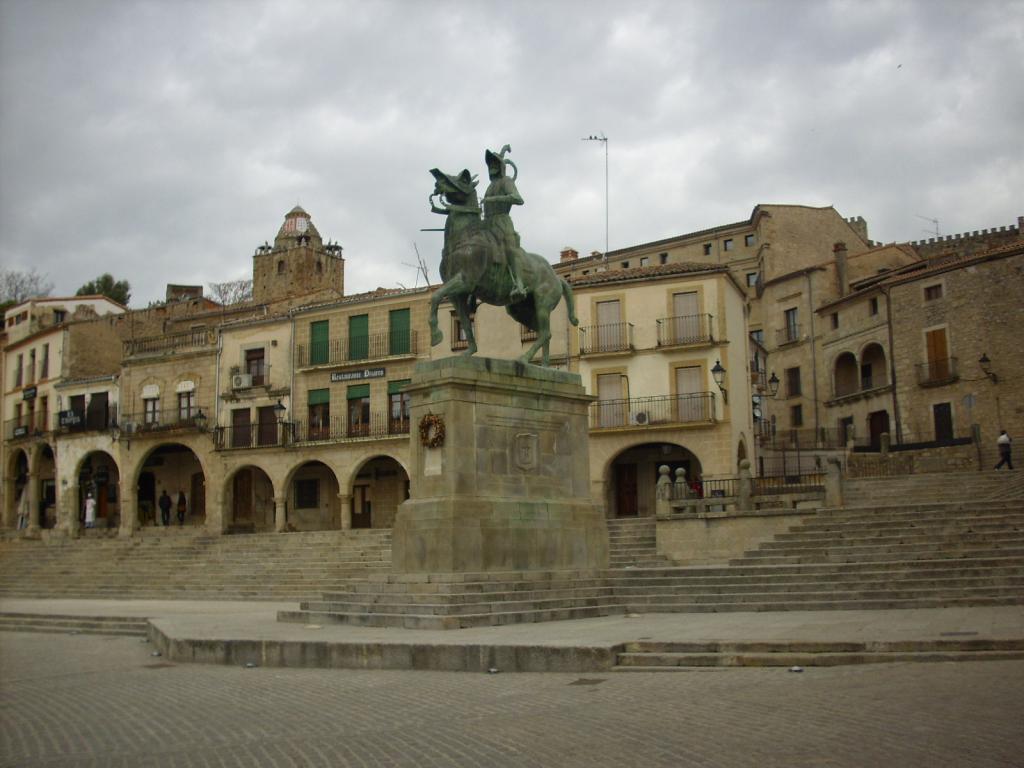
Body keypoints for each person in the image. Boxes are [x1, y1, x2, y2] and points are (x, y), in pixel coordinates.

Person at [482, 145, 529, 301]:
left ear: (501, 167)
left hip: (502, 221)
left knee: (509, 249)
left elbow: (518, 198)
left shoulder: (506, 181)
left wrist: (494, 199)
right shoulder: (489, 186)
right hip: (487, 223)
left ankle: (519, 284)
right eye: (490, 164)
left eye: (495, 164)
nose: (492, 167)